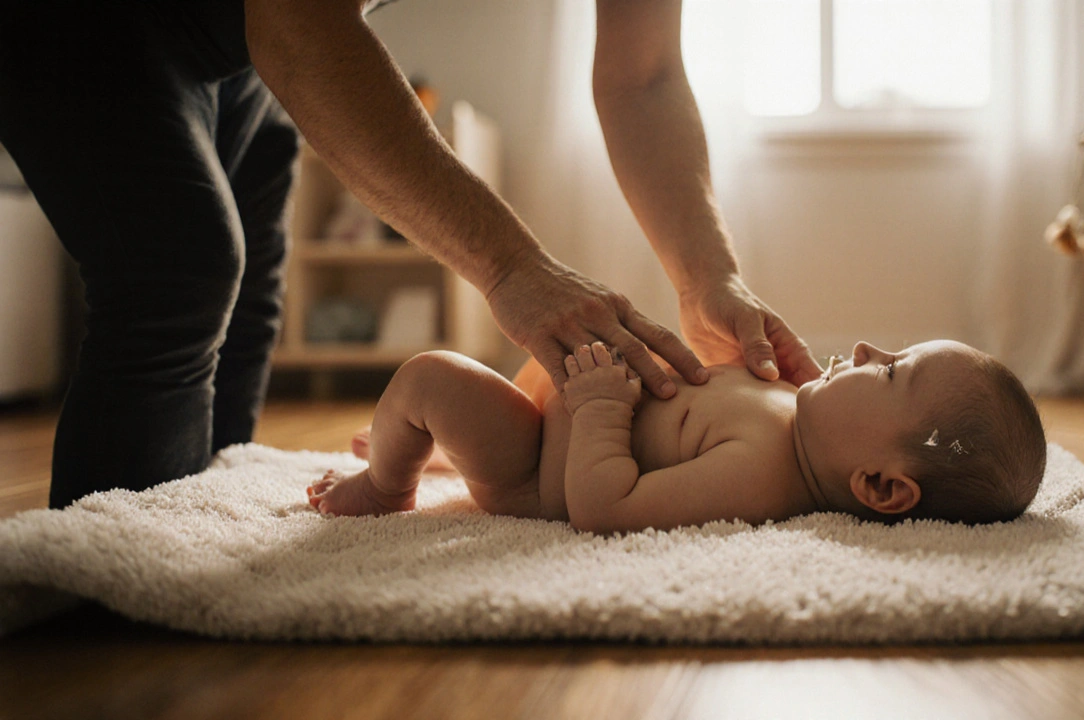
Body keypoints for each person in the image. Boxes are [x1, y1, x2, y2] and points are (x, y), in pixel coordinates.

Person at [0, 0, 820, 509]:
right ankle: (99, 608)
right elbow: (295, 17)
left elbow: (643, 77)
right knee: (180, 271)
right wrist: (511, 268)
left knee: (251, 298)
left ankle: (203, 547)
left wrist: (710, 275)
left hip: (235, 31)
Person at [307, 340, 1047, 530]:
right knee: (445, 398)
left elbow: (604, 507)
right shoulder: (794, 415)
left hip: (534, 465)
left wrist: (599, 410)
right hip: (556, 401)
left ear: (881, 485)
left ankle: (386, 486)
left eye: (889, 374)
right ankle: (433, 455)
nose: (863, 352)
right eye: (892, 349)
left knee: (429, 379)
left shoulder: (760, 472)